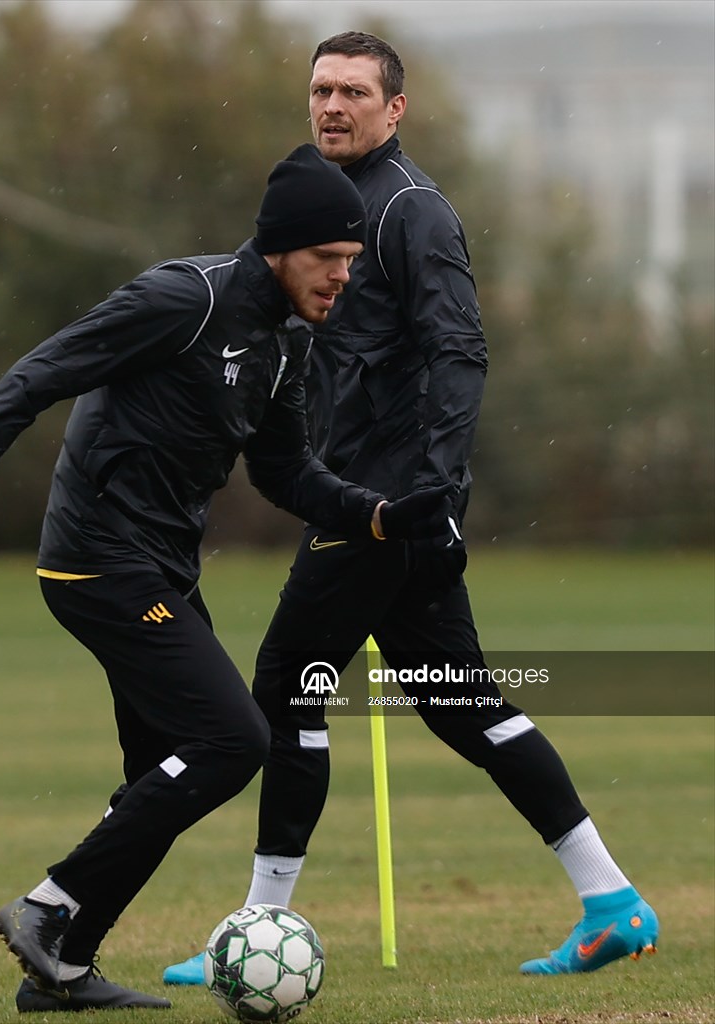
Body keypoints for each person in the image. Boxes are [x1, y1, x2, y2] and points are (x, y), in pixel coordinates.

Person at [0, 143, 461, 1014]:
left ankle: (61, 968)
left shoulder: (286, 346)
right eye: (329, 259)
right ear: (280, 247)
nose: (343, 277)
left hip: (162, 568)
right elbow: (40, 373)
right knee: (235, 739)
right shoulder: (184, 300)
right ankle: (48, 908)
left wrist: (380, 515)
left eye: (351, 261)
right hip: (95, 559)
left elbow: (286, 473)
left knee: (159, 771)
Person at [163, 31, 658, 986]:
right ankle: (611, 902)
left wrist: (430, 490)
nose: (332, 105)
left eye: (353, 91)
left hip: (386, 507)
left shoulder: (413, 211)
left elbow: (459, 352)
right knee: (463, 706)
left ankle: (258, 927)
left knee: (288, 683)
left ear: (397, 110)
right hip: (365, 499)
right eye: (320, 90)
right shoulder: (315, 203)